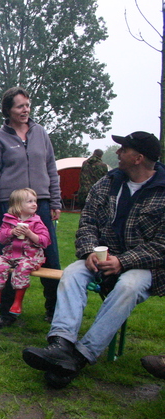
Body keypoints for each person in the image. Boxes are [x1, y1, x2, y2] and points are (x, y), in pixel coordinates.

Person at [22, 131, 165, 388]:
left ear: (138, 158)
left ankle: (80, 356)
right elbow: (87, 223)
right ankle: (60, 344)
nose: (118, 153)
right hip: (100, 258)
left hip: (145, 267)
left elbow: (162, 245)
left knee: (128, 286)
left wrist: (124, 261)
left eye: (124, 150)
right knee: (73, 273)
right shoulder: (107, 183)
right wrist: (89, 252)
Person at [0, 86, 61, 328]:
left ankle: (54, 310)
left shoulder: (41, 134)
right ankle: (7, 312)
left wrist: (55, 201)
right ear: (8, 110)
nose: (26, 109)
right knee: (8, 257)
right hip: (10, 206)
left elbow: (51, 169)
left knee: (51, 258)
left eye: (27, 105)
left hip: (41, 204)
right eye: (20, 106)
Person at [0, 188, 50, 315]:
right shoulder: (8, 220)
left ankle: (17, 302)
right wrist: (11, 232)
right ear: (17, 205)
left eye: (35, 201)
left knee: (22, 269)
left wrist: (30, 234)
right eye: (29, 201)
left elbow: (45, 241)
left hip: (30, 257)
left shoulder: (37, 221)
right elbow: (0, 238)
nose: (34, 204)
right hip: (10, 255)